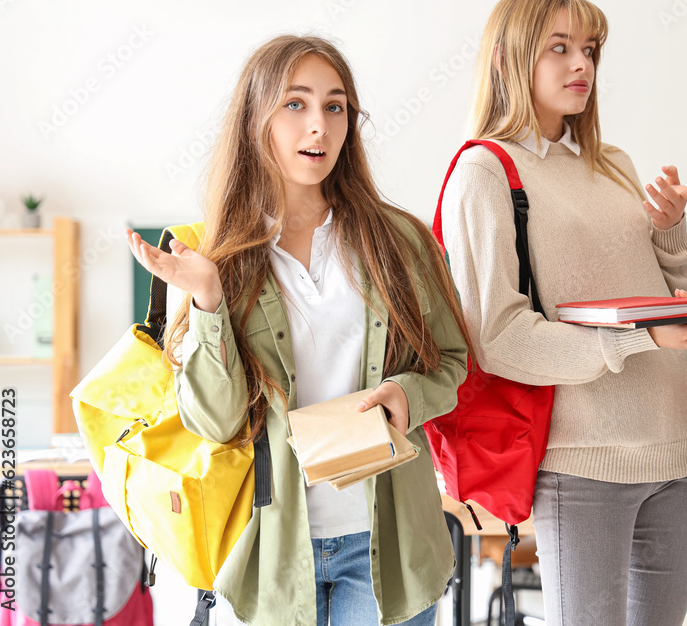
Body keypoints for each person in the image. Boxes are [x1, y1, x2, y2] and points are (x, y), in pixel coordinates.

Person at [126, 35, 472, 626]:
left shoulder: (400, 241)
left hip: (387, 549)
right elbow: (217, 420)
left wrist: (407, 397)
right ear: (256, 118)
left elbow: (452, 363)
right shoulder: (212, 259)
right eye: (296, 104)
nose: (319, 125)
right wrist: (207, 297)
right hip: (270, 558)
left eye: (335, 107)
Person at [440, 0, 687, 626]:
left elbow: (665, 288)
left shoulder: (613, 163)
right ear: (508, 59)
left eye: (589, 49)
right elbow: (498, 336)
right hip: (583, 461)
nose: (581, 65)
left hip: (681, 450)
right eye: (558, 48)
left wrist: (669, 229)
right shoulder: (485, 172)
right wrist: (637, 340)